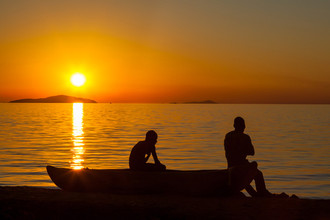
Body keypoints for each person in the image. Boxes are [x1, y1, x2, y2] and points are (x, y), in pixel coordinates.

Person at [224, 117, 273, 197]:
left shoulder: (228, 136)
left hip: (230, 167)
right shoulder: (245, 137)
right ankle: (262, 193)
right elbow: (252, 152)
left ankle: (256, 195)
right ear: (243, 126)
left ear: (234, 125)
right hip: (241, 166)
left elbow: (228, 151)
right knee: (258, 174)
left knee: (245, 178)